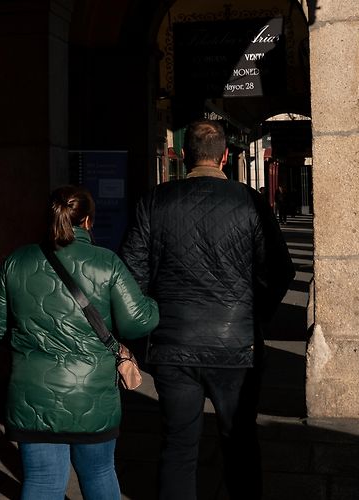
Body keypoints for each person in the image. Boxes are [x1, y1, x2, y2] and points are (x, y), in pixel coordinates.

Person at [120, 119, 295, 500]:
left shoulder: (155, 201)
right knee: (241, 444)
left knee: (178, 447)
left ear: (184, 156)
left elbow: (130, 272)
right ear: (225, 157)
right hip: (236, 346)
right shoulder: (249, 201)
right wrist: (255, 315)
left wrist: (150, 324)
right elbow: (281, 270)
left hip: (173, 343)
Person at [0, 185, 159, 500]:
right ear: (88, 221)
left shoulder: (17, 261)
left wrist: (29, 346)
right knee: (99, 475)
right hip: (93, 397)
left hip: (33, 395)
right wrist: (156, 303)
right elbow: (138, 322)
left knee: (42, 483)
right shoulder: (107, 263)